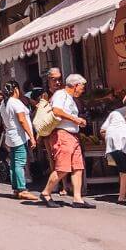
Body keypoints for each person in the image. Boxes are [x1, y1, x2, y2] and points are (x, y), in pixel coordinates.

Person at [40, 74, 95, 208]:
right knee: (63, 167)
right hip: (62, 134)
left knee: (78, 166)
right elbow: (57, 111)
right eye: (82, 87)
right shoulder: (61, 94)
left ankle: (77, 198)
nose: (83, 90)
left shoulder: (69, 98)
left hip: (73, 135)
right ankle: (46, 192)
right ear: (75, 85)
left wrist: (77, 123)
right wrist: (75, 119)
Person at [1, 80, 37, 201]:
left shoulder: (3, 103)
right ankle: (22, 189)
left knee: (14, 163)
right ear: (16, 89)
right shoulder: (15, 102)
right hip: (19, 136)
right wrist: (31, 136)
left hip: (11, 136)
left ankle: (16, 188)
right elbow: (22, 120)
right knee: (20, 163)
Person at [103, 94, 126, 204]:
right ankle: (122, 197)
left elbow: (102, 131)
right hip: (124, 141)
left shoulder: (115, 112)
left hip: (111, 142)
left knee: (122, 168)